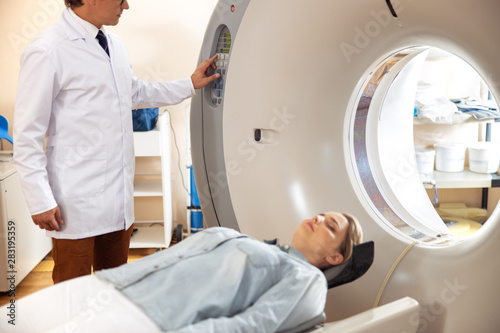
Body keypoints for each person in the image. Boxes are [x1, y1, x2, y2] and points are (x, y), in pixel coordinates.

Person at [13, 0, 220, 283]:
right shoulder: (48, 50)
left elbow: (134, 92)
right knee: (71, 291)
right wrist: (39, 199)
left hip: (118, 199)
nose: (127, 5)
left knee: (115, 286)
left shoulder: (115, 45)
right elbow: (27, 135)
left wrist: (189, 83)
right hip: (74, 202)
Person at [1, 212, 363, 333]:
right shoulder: (251, 242)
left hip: (142, 318)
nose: (318, 219)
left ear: (334, 258)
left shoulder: (307, 280)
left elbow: (251, 326)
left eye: (331, 226)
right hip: (107, 284)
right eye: (321, 213)